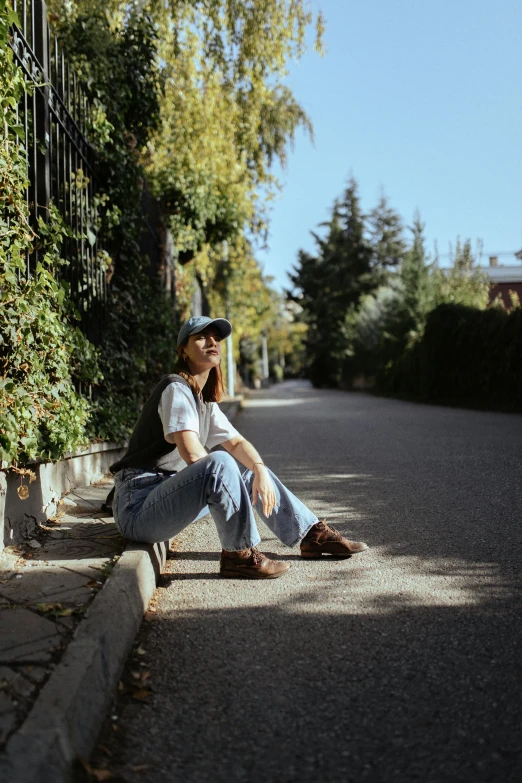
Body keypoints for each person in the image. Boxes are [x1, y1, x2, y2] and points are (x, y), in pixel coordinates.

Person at [110, 316, 368, 579]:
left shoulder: (203, 401)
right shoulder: (176, 388)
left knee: (244, 470)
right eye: (201, 337)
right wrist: (226, 473)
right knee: (221, 463)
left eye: (216, 338)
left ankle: (310, 534)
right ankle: (240, 555)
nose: (212, 342)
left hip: (164, 498)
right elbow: (191, 453)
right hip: (138, 509)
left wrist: (260, 470)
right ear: (182, 351)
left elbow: (237, 443)